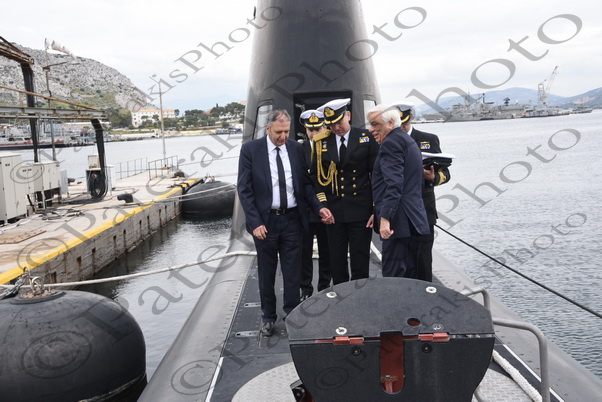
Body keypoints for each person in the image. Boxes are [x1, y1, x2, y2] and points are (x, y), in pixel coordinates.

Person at [237, 109, 333, 337]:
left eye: (287, 131)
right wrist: (255, 222)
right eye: (278, 132)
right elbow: (245, 189)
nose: (283, 136)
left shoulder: (295, 149)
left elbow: (306, 184)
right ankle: (268, 317)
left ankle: (291, 314)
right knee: (266, 272)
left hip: (292, 219)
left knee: (293, 271)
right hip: (266, 222)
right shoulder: (251, 150)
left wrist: (319, 207)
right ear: (267, 128)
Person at [312, 98, 379, 284]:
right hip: (334, 211)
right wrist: (323, 205)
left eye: (339, 122)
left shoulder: (366, 138)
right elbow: (316, 178)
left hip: (361, 210)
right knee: (337, 262)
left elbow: (377, 174)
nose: (336, 128)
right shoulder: (321, 142)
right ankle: (340, 296)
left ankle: (360, 296)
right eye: (331, 124)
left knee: (360, 260)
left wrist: (376, 208)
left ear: (348, 115)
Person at [367, 104, 429, 278]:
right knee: (410, 277)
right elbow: (415, 183)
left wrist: (385, 219)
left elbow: (394, 185)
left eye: (375, 124)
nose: (371, 129)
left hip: (398, 224)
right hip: (413, 220)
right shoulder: (406, 140)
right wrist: (377, 212)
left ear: (390, 123)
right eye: (370, 124)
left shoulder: (390, 144)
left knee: (393, 280)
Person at [393, 102, 451, 282]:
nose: (401, 127)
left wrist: (432, 178)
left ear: (410, 118)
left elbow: (445, 173)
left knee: (423, 261)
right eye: (397, 124)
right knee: (400, 263)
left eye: (403, 123)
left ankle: (425, 293)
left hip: (423, 210)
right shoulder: (387, 141)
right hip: (397, 210)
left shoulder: (428, 139)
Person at [299, 110, 331, 300]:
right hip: (305, 209)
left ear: (324, 128)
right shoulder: (298, 149)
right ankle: (305, 288)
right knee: (304, 251)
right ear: (306, 130)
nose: (314, 133)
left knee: (327, 250)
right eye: (310, 129)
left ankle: (324, 285)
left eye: (317, 129)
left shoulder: (330, 147)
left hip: (325, 208)